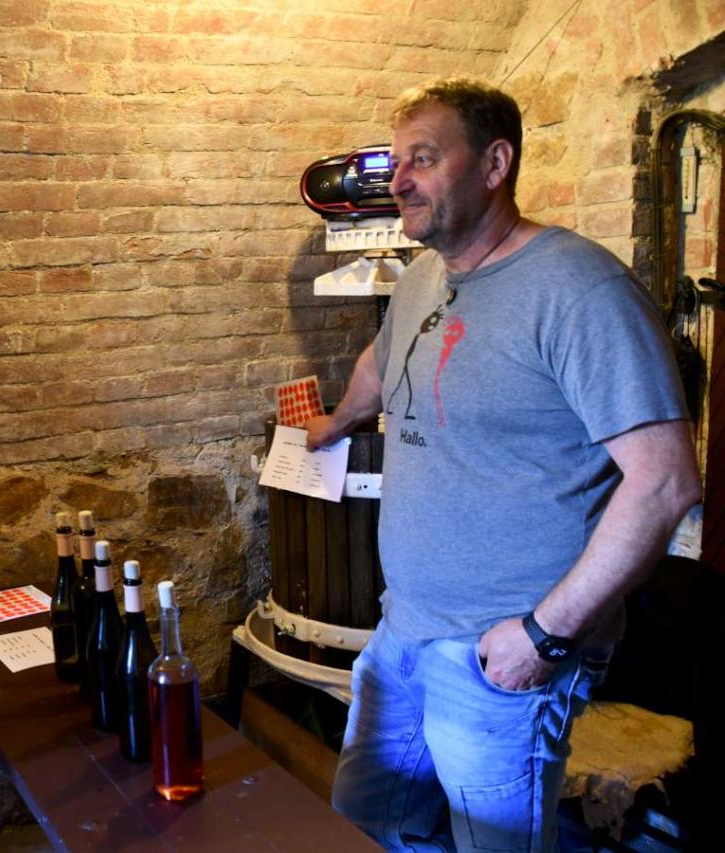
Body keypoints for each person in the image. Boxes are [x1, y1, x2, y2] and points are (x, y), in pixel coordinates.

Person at [305, 78, 701, 850]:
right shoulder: (426, 276)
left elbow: (665, 481)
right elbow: (382, 365)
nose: (399, 180)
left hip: (500, 656)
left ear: (494, 164)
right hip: (404, 633)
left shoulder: (579, 290)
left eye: (424, 158)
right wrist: (337, 420)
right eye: (397, 161)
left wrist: (543, 637)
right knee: (370, 824)